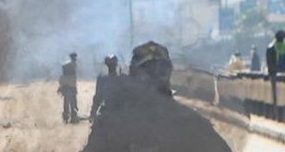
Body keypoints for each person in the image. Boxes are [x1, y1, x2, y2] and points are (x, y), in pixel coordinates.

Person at [81, 41, 231, 152]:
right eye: (152, 71)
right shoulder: (193, 123)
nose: (156, 75)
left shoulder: (111, 123)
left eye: (159, 70)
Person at [89, 54, 120, 121]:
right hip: (118, 114)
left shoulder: (102, 79)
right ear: (116, 64)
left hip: (106, 112)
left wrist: (92, 114)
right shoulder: (122, 79)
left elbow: (97, 99)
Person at [59, 52, 80, 123]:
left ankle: (66, 117)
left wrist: (61, 86)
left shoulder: (65, 65)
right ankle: (73, 117)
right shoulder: (74, 65)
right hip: (72, 85)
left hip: (66, 85)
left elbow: (63, 77)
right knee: (73, 102)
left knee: (66, 102)